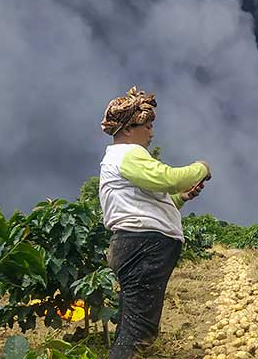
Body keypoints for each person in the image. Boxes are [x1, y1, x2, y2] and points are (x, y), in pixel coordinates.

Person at [99, 87, 211, 359]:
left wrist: (181, 198)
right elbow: (168, 178)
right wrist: (201, 168)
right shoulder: (128, 154)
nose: (151, 132)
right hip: (143, 246)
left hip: (135, 245)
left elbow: (151, 200)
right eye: (147, 126)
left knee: (132, 326)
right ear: (127, 129)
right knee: (138, 334)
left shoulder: (118, 160)